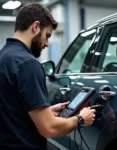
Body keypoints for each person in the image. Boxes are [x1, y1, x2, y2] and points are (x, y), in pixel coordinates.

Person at [0, 3, 96, 150]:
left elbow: (12, 109)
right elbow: (49, 129)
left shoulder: (4, 56)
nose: (46, 43)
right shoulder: (28, 64)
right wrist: (81, 119)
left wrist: (46, 111)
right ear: (36, 26)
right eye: (47, 35)